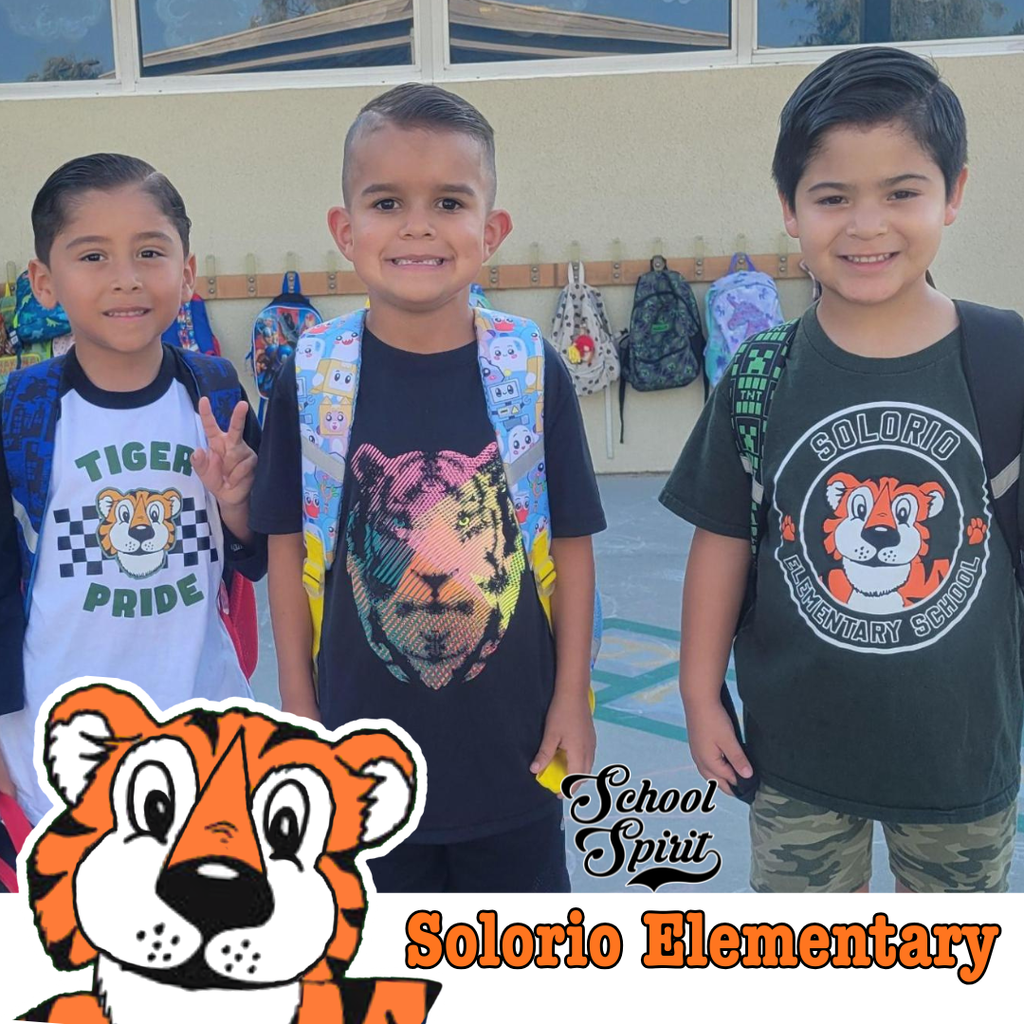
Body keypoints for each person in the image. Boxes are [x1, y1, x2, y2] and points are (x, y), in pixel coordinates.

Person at [661, 47, 1021, 893]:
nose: (867, 225)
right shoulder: (760, 374)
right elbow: (722, 542)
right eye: (833, 197)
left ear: (954, 194)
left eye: (902, 192)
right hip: (796, 770)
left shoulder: (1005, 357)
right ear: (789, 209)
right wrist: (697, 693)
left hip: (963, 765)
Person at [250, 84, 605, 893]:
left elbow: (574, 548)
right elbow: (283, 548)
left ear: (492, 230)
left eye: (449, 201)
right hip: (359, 772)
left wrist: (572, 699)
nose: (417, 225)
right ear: (344, 231)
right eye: (386, 202)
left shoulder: (529, 367)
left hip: (515, 757)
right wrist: (297, 706)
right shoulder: (309, 376)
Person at [0, 153, 265, 824]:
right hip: (57, 747)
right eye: (92, 256)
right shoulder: (22, 407)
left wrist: (237, 505)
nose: (126, 279)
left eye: (150, 252)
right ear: (44, 282)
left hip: (201, 732)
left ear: (187, 270)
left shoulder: (217, 391)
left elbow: (255, 555)